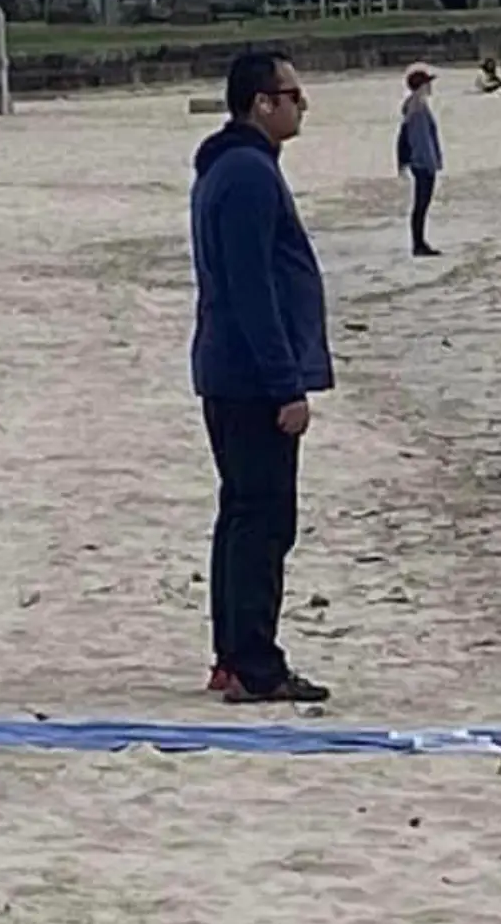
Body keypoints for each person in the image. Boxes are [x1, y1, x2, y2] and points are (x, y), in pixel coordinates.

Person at [190, 51, 333, 705]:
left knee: (242, 514)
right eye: (293, 95)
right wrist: (287, 384)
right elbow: (253, 288)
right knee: (264, 520)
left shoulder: (231, 168)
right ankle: (253, 661)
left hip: (230, 369)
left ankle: (233, 656)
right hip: (250, 377)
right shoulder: (246, 174)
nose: (302, 106)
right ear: (260, 104)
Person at [397, 64, 444, 257]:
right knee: (421, 205)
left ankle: (419, 242)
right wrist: (429, 163)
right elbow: (421, 140)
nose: (430, 87)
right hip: (423, 163)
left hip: (421, 162)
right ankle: (418, 244)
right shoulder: (417, 109)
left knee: (421, 205)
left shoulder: (415, 106)